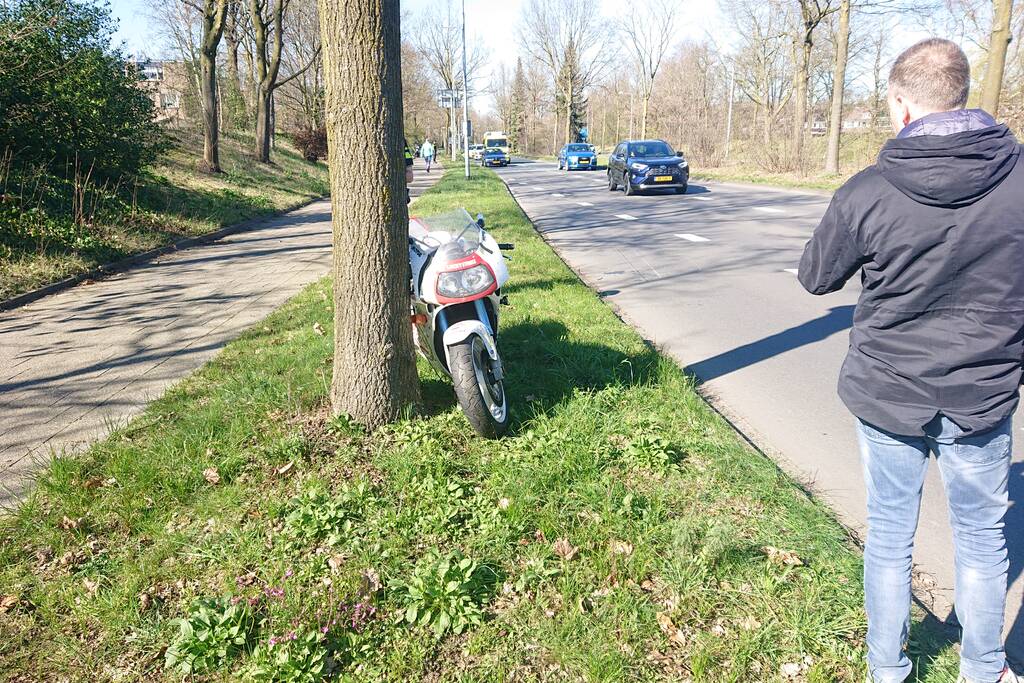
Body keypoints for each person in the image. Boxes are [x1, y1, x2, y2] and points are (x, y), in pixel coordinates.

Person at [798, 38, 1024, 683]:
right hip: (980, 393)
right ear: (963, 95)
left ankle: (887, 671)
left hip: (888, 390)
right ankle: (984, 671)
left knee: (890, 538)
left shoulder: (868, 191)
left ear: (900, 105)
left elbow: (815, 277)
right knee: (982, 540)